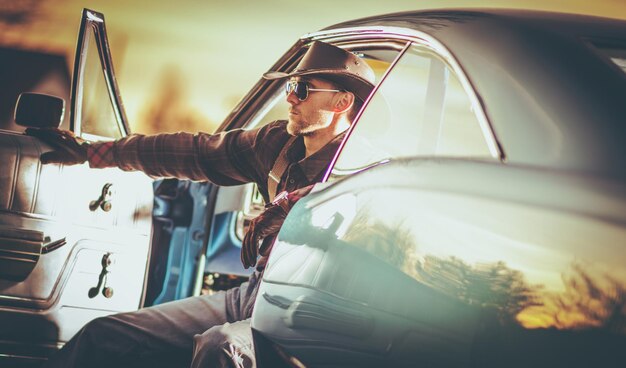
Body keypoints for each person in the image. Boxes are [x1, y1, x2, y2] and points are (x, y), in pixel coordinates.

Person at [28, 41, 375, 368]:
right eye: (289, 88)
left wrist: (302, 205)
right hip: (252, 296)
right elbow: (197, 151)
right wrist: (92, 153)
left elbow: (377, 234)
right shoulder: (277, 144)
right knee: (103, 336)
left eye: (302, 89)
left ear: (341, 103)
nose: (290, 99)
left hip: (307, 315)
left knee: (222, 346)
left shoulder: (367, 171)